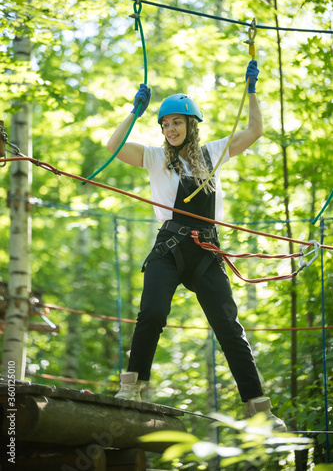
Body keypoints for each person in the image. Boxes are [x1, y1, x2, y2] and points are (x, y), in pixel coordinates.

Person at [108, 60, 286, 431]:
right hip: (169, 249)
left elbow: (255, 129)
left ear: (192, 125)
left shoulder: (214, 153)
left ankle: (259, 409)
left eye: (176, 122)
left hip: (206, 252)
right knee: (152, 313)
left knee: (228, 326)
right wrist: (133, 112)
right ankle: (132, 387)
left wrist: (251, 91)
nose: (170, 129)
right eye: (165, 123)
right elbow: (114, 147)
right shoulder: (157, 159)